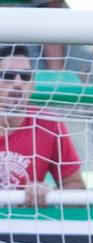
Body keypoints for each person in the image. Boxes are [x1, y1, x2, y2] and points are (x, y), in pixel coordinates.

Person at [0, 45, 85, 207]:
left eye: (25, 77)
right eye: (8, 75)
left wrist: (49, 194)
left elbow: (76, 186)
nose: (18, 83)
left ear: (32, 86)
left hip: (29, 226)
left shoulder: (48, 123)